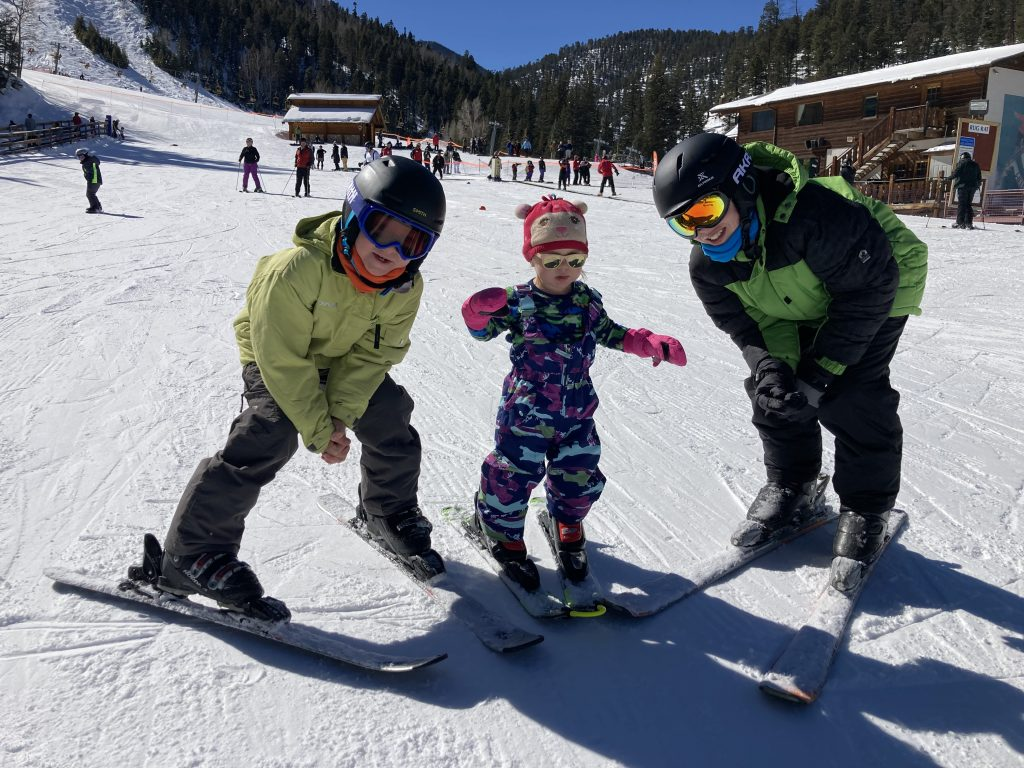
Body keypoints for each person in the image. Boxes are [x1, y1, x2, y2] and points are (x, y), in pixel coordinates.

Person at [158, 156, 447, 619]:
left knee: (391, 411)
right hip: (276, 358)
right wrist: (318, 429)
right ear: (353, 213)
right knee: (270, 430)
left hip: (340, 361)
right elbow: (283, 361)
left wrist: (340, 414)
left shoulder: (404, 288)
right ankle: (191, 554)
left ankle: (386, 512)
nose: (391, 251)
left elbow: (374, 355)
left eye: (412, 241)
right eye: (380, 228)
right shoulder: (293, 270)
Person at [652, 133, 927, 592]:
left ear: (741, 188)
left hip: (881, 282)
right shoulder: (709, 268)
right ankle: (792, 484)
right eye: (683, 223)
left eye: (706, 210)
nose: (700, 230)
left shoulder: (815, 217)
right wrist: (771, 369)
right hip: (801, 299)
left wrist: (820, 374)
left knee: (852, 393)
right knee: (775, 394)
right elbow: (750, 325)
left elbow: (866, 293)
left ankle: (865, 507)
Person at [460, 195, 686, 589]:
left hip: (578, 411)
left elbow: (612, 333)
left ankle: (567, 522)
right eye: (552, 260)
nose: (564, 268)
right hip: (527, 411)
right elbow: (483, 333)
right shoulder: (519, 301)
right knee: (513, 474)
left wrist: (647, 342)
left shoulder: (585, 299)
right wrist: (476, 313)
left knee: (578, 475)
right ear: (532, 257)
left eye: (574, 259)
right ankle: (499, 529)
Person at [950, 151, 982, 229]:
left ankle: (960, 222)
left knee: (962, 204)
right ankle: (968, 223)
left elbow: (956, 173)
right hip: (973, 187)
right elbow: (979, 177)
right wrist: (977, 185)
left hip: (962, 186)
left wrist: (948, 178)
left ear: (962, 157)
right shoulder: (976, 164)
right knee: (968, 204)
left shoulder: (962, 163)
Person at [75, 147, 103, 213]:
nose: (80, 158)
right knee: (91, 193)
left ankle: (95, 208)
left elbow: (96, 162)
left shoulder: (89, 161)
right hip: (94, 180)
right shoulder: (87, 161)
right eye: (78, 157)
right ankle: (97, 206)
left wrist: (92, 156)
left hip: (94, 180)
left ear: (85, 155)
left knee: (90, 194)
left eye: (81, 156)